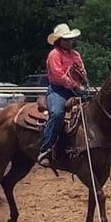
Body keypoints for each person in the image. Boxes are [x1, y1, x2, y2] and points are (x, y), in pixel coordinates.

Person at [37, 23, 91, 166]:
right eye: (66, 40)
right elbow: (58, 75)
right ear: (59, 41)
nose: (69, 42)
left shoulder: (75, 55)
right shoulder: (54, 54)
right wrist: (75, 85)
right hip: (58, 90)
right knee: (57, 113)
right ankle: (46, 149)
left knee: (94, 109)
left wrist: (83, 76)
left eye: (70, 39)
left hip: (76, 89)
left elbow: (82, 71)